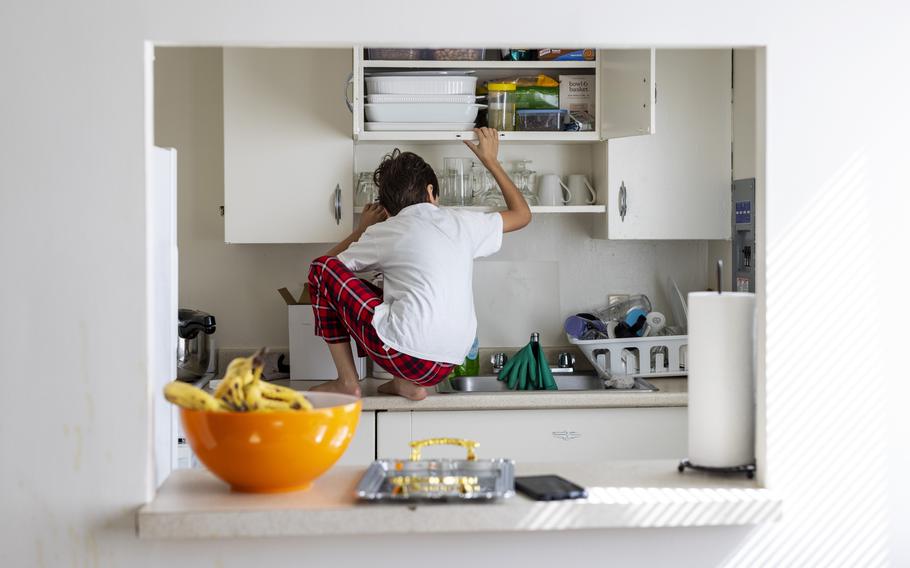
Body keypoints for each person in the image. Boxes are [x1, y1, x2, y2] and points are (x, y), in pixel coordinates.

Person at [307, 127, 531, 400]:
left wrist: (361, 230)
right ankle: (405, 384)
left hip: (404, 356)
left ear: (387, 210)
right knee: (392, 299)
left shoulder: (387, 230)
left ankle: (346, 381)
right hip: (449, 363)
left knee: (320, 271)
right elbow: (522, 215)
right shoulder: (462, 221)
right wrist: (491, 161)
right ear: (431, 192)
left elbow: (326, 269)